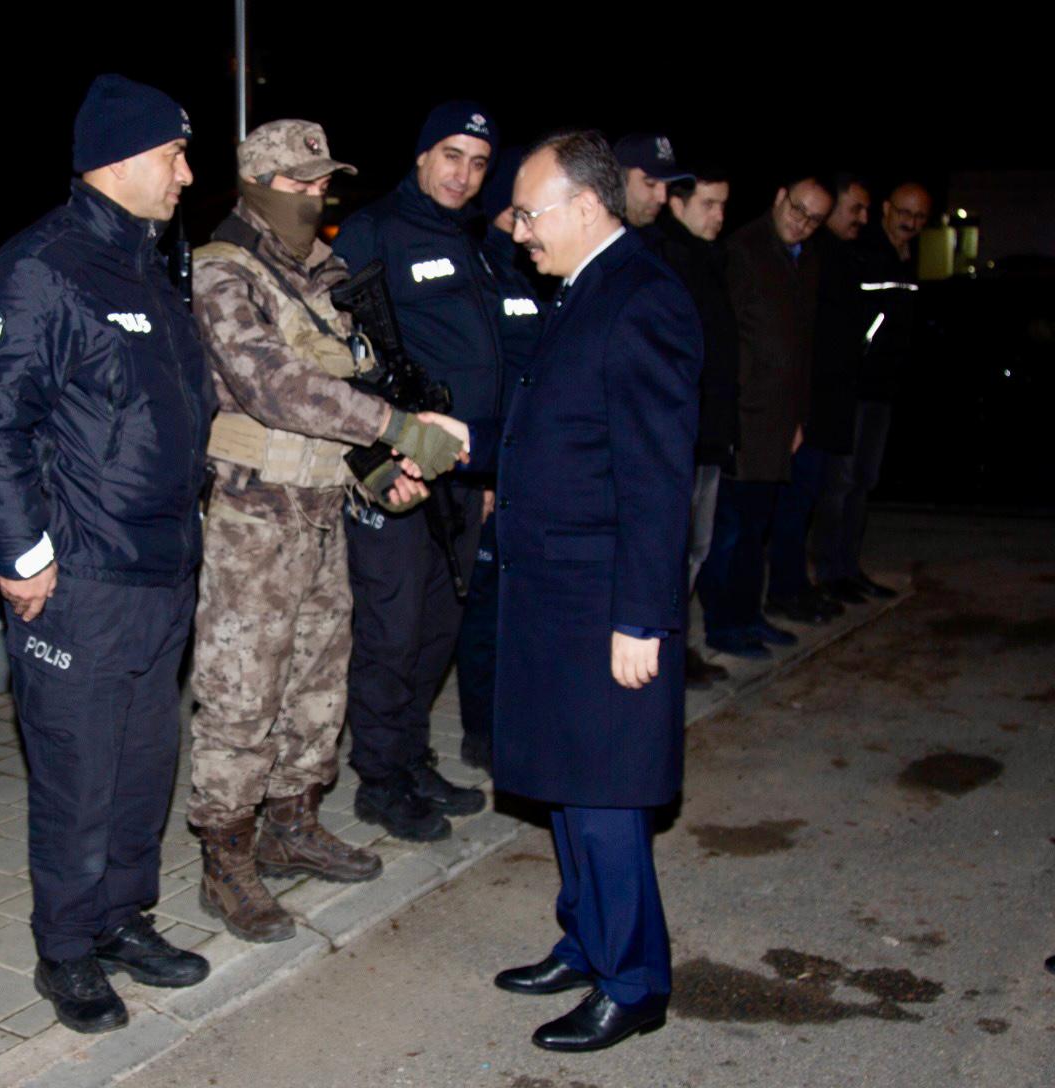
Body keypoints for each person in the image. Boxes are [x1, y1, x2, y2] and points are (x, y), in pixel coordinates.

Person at [0, 74, 214, 1035]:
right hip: (84, 579)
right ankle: (65, 949)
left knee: (146, 761)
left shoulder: (148, 263)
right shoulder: (42, 267)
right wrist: (21, 556)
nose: (188, 174)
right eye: (174, 156)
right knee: (77, 770)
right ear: (120, 157)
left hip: (161, 570)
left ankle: (119, 919)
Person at [451, 129, 700, 1052]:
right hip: (553, 590)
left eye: (527, 212)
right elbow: (549, 425)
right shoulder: (582, 288)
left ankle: (632, 980)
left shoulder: (642, 300)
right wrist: (459, 437)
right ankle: (585, 939)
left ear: (587, 208)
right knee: (565, 782)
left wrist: (643, 617)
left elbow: (654, 475)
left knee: (604, 795)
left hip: (604, 599)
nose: (516, 230)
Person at [187, 119, 465, 943]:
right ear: (259, 183)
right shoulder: (222, 271)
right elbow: (274, 385)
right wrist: (402, 429)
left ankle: (292, 821)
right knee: (242, 692)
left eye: (322, 182)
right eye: (300, 183)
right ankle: (225, 857)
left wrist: (385, 470)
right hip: (252, 515)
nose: (315, 195)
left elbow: (353, 381)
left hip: (321, 508)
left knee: (317, 680)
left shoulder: (328, 272)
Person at [331, 101, 502, 840]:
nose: (464, 174)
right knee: (392, 633)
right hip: (401, 473)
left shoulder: (477, 241)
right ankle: (379, 778)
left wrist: (490, 471)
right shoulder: (376, 230)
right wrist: (376, 462)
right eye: (452, 156)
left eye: (478, 162)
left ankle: (410, 757)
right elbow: (339, 355)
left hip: (464, 476)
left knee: (437, 630)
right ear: (423, 156)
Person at [696, 176, 832, 658]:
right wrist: (728, 418)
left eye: (814, 219)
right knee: (730, 531)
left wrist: (798, 419)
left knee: (757, 528)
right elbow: (728, 342)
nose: (802, 223)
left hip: (779, 423)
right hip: (744, 420)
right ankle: (725, 625)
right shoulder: (744, 251)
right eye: (797, 209)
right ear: (778, 196)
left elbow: (800, 347)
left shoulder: (805, 260)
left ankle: (749, 615)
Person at [454, 145, 542, 770]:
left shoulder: (541, 271)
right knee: (484, 609)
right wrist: (485, 474)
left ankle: (520, 718)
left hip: (537, 467)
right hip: (495, 466)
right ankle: (480, 729)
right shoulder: (483, 266)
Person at [642, 167, 739, 690]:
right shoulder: (664, 260)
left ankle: (677, 649)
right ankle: (663, 652)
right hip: (681, 436)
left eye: (724, 204)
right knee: (672, 551)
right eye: (708, 203)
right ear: (677, 205)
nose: (719, 216)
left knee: (696, 548)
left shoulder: (709, 257)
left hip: (710, 433)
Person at [813, 181, 931, 603]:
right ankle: (830, 572)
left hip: (883, 391)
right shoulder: (862, 250)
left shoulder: (906, 256)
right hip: (854, 389)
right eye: (905, 213)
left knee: (864, 481)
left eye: (919, 217)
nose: (911, 223)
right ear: (887, 209)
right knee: (841, 483)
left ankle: (848, 567)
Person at [768, 172, 874, 623]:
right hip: (806, 408)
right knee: (793, 505)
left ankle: (799, 584)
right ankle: (787, 589)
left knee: (808, 500)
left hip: (825, 405)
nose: (861, 219)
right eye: (856, 209)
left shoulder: (830, 257)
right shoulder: (809, 258)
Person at [614, 133, 692, 229]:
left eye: (667, 186)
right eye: (651, 184)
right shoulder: (597, 238)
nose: (663, 198)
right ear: (618, 181)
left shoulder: (663, 238)